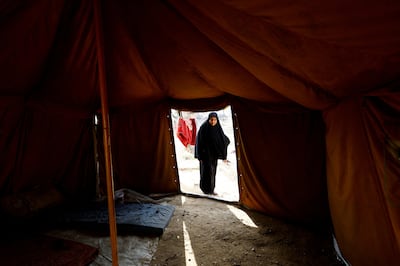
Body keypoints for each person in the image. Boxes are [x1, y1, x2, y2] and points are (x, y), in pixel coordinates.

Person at [194, 112, 230, 195]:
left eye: (214, 120)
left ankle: (211, 189)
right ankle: (205, 189)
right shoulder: (204, 128)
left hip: (213, 156)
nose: (213, 121)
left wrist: (225, 143)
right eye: (211, 120)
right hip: (205, 156)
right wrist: (199, 156)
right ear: (208, 119)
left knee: (212, 173)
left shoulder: (217, 128)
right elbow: (198, 142)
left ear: (217, 120)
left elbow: (222, 139)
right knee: (206, 172)